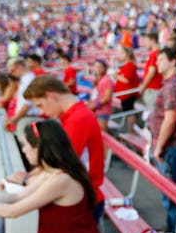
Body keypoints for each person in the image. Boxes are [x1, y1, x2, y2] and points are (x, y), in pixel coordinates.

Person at [22, 75, 107, 221]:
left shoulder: (77, 119)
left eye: (40, 105)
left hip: (84, 198)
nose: (42, 112)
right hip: (84, 194)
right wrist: (29, 176)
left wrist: (27, 180)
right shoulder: (73, 116)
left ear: (50, 96)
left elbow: (60, 164)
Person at [149, 47, 176, 233]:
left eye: (162, 59)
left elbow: (170, 118)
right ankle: (175, 229)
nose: (157, 63)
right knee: (170, 192)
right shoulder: (169, 84)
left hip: (171, 146)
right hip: (169, 145)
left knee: (173, 193)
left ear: (173, 61)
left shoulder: (174, 85)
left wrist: (158, 147)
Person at [114, 46, 140, 132]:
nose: (120, 55)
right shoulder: (126, 65)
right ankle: (130, 130)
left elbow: (126, 80)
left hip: (128, 94)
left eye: (122, 53)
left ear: (127, 54)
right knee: (128, 112)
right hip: (124, 94)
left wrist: (116, 75)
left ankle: (131, 131)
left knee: (129, 113)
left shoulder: (130, 65)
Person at [138, 32, 163, 113]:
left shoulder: (154, 54)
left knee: (152, 113)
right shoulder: (159, 52)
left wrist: (143, 86)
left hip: (153, 89)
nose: (145, 43)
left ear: (153, 40)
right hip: (156, 88)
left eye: (147, 41)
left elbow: (151, 72)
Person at [87, 59, 114, 133]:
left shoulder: (107, 80)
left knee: (103, 135)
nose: (98, 69)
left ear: (105, 68)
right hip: (96, 110)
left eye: (100, 67)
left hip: (102, 110)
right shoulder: (98, 80)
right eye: (96, 67)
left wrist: (95, 105)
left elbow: (107, 97)